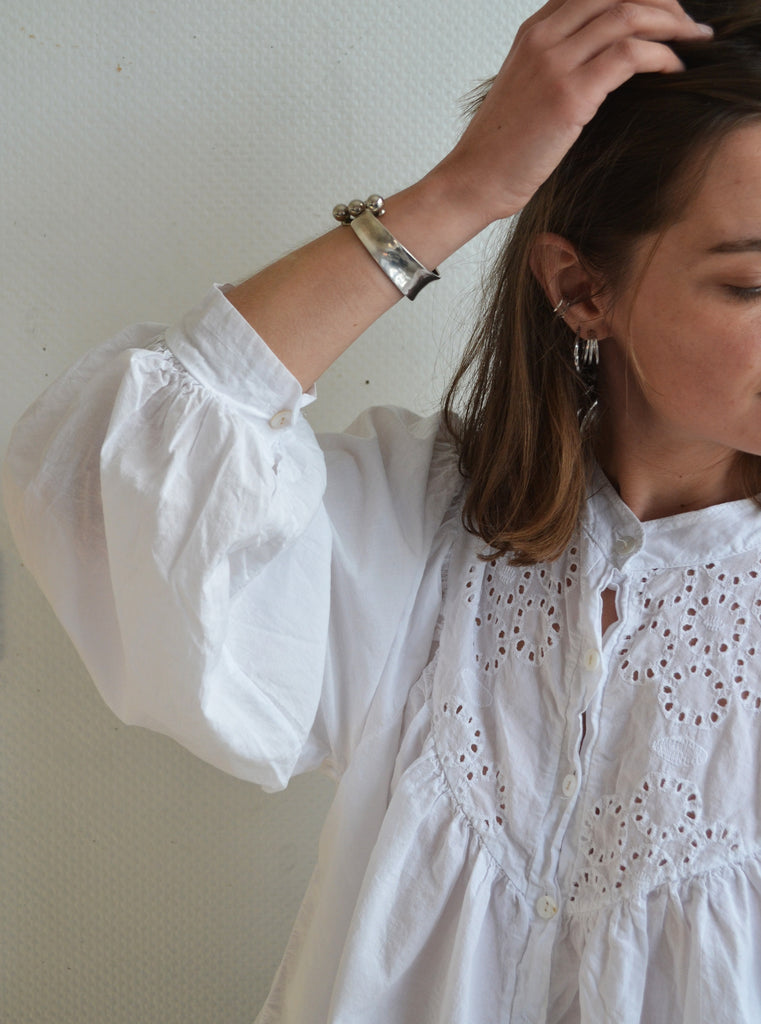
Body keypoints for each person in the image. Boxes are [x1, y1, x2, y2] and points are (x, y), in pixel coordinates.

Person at [5, 0, 761, 1019]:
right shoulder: (419, 523)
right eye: (753, 284)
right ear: (583, 291)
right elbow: (108, 498)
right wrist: (461, 190)